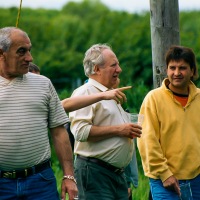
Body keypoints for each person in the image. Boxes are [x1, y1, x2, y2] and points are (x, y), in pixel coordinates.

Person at [0, 27, 78, 200]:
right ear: (1, 53)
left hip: (40, 182)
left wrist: (69, 176)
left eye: (29, 50)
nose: (29, 58)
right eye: (21, 52)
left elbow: (59, 131)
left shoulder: (43, 84)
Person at [69, 43, 142, 199]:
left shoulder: (110, 92)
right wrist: (119, 130)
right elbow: (80, 132)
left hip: (117, 175)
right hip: (95, 173)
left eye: (118, 64)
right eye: (113, 65)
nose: (119, 69)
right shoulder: (85, 92)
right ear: (96, 69)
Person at [137, 45, 200, 200]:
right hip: (164, 181)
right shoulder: (153, 99)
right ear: (166, 70)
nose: (176, 73)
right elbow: (146, 140)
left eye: (182, 68)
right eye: (172, 68)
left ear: (192, 71)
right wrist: (164, 174)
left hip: (197, 179)